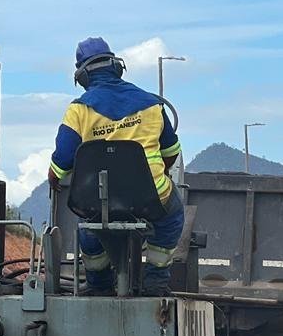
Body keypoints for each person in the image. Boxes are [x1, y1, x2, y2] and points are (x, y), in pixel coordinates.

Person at [48, 37, 184, 297]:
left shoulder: (79, 110)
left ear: (83, 77)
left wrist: (54, 177)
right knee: (172, 217)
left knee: (89, 225)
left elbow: (62, 162)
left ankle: (99, 284)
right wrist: (157, 175)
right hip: (150, 197)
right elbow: (171, 153)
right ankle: (155, 282)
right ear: (117, 67)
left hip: (99, 200)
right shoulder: (153, 105)